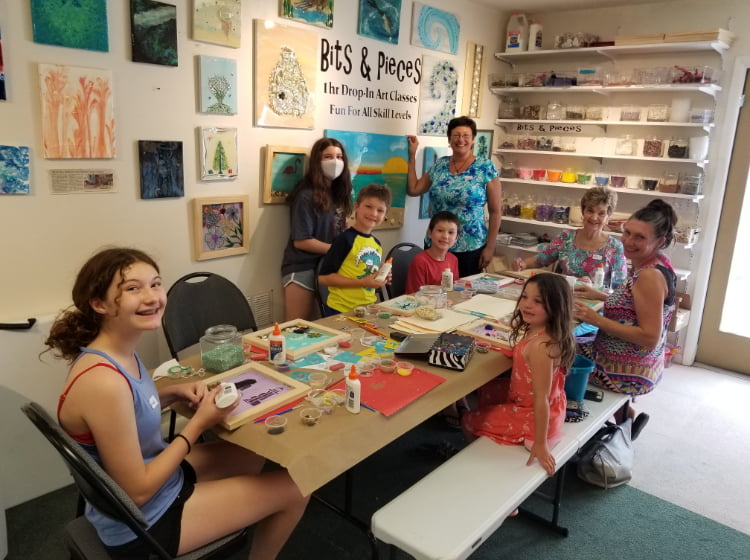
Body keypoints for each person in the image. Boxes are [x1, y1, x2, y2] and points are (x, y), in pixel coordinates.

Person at [45, 248, 309, 559]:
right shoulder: (104, 382)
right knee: (297, 488)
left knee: (253, 454)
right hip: (142, 521)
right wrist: (198, 424)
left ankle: (236, 507)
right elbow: (138, 491)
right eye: (133, 288)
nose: (152, 297)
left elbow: (129, 408)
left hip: (149, 485)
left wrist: (172, 393)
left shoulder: (113, 353)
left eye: (155, 284)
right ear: (98, 303)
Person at [573, 200, 678, 440]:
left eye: (639, 237)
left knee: (557, 349)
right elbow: (636, 304)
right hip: (641, 361)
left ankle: (573, 423)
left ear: (659, 241)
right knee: (577, 339)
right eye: (627, 232)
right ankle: (625, 418)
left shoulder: (649, 276)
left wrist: (595, 319)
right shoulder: (657, 264)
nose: (629, 241)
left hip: (624, 368)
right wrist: (600, 295)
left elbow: (650, 337)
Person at [462, 273, 576, 476]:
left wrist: (540, 444)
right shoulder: (541, 331)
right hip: (538, 403)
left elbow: (541, 399)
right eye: (525, 297)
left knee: (469, 419)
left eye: (538, 301)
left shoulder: (541, 347)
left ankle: (480, 472)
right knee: (487, 389)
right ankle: (492, 434)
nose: (527, 305)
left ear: (556, 307)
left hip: (535, 416)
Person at [407, 116, 502, 278]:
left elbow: (495, 211)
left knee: (463, 295)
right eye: (456, 135)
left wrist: (490, 247)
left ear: (473, 139)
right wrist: (412, 155)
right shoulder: (440, 165)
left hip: (470, 246)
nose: (461, 140)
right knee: (431, 292)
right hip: (437, 244)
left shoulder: (485, 168)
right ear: (449, 139)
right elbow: (414, 189)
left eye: (466, 135)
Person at [281, 137, 354, 321]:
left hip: (328, 268)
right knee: (297, 328)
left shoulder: (339, 195)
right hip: (302, 267)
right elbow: (301, 240)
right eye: (328, 156)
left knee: (323, 326)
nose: (335, 161)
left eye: (339, 156)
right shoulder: (306, 196)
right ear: (317, 161)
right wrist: (337, 250)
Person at [513, 186, 627, 288]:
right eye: (590, 210)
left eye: (601, 213)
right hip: (563, 298)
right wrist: (523, 264)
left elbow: (620, 287)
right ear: (583, 211)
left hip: (595, 305)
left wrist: (594, 290)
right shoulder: (566, 237)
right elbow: (542, 258)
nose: (594, 217)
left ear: (608, 217)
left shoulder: (615, 247)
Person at [318, 183, 391, 315]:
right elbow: (324, 278)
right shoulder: (344, 239)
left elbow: (364, 272)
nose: (373, 213)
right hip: (340, 310)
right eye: (368, 206)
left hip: (367, 310)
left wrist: (380, 275)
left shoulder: (377, 244)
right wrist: (362, 282)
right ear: (356, 207)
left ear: (385, 215)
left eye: (380, 210)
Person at [405, 211, 460, 294]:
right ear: (430, 233)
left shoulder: (453, 259)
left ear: (456, 238)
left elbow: (453, 291)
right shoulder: (420, 261)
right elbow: (415, 295)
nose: (445, 236)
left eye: (451, 232)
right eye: (440, 230)